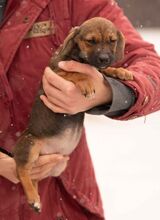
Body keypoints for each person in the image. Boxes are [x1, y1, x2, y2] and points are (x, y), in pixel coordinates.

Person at [0, 0, 160, 219]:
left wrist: (107, 93)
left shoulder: (72, 3)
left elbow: (151, 69)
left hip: (65, 194)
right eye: (92, 42)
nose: (103, 53)